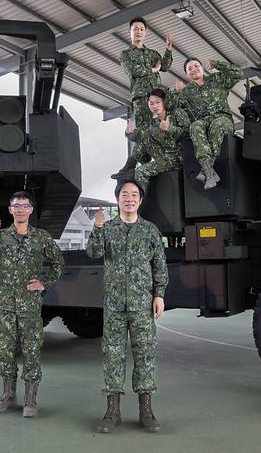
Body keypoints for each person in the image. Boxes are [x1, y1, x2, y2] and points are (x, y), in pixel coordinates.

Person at [86, 180, 167, 433]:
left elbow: (160, 265)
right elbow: (92, 252)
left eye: (134, 195)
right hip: (114, 306)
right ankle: (113, 410)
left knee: (145, 354)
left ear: (140, 201)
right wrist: (97, 227)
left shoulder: (150, 230)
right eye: (124, 195)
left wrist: (159, 294)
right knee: (112, 356)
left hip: (142, 304)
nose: (129, 198)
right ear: (118, 199)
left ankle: (146, 409)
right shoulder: (108, 228)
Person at [0, 191, 64, 418]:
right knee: (5, 351)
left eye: (25, 206)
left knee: (31, 351)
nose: (21, 209)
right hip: (4, 304)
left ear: (31, 210)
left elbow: (58, 262)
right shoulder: (1, 236)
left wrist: (44, 283)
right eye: (17, 205)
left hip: (29, 306)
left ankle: (30, 400)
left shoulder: (41, 237)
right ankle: (7, 396)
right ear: (10, 209)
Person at [112, 17, 174, 179]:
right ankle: (145, 169)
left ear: (145, 33)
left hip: (158, 99)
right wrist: (153, 70)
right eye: (135, 29)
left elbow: (165, 66)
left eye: (141, 29)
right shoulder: (126, 54)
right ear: (130, 32)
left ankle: (157, 164)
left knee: (158, 130)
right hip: (141, 98)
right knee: (142, 133)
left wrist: (168, 48)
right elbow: (133, 70)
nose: (138, 32)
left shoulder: (152, 53)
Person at [175, 58, 242, 190]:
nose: (193, 69)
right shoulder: (187, 91)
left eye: (196, 66)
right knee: (195, 126)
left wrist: (217, 64)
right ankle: (209, 170)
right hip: (203, 121)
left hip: (223, 119)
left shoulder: (217, 79)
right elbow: (174, 108)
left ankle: (206, 171)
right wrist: (177, 93)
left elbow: (238, 73)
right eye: (189, 69)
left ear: (202, 67)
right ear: (187, 74)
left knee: (216, 124)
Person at [129, 88, 189, 192]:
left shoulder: (177, 114)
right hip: (163, 157)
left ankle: (145, 201)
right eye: (151, 103)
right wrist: (128, 133)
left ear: (164, 102)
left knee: (140, 172)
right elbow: (139, 138)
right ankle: (133, 164)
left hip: (179, 157)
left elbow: (188, 133)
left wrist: (170, 128)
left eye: (157, 102)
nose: (154, 106)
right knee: (144, 134)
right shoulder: (153, 123)